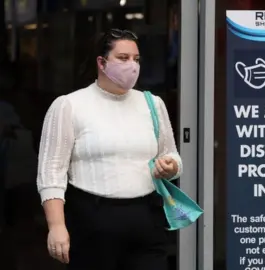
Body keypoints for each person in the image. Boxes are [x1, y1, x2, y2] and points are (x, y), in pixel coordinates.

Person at [36, 29, 183, 270]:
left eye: (136, 59)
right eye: (123, 58)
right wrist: (56, 226)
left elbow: (172, 155)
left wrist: (170, 166)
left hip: (146, 218)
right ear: (102, 63)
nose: (132, 66)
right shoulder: (69, 105)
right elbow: (51, 173)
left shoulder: (152, 104)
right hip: (92, 220)